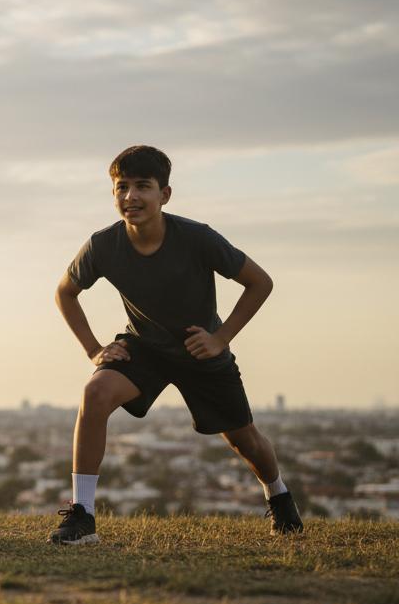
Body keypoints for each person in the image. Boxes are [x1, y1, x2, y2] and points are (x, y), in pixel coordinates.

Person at [50, 145, 303, 545]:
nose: (130, 196)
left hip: (198, 348)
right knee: (95, 393)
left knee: (244, 440)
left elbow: (261, 282)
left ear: (164, 194)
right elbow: (65, 292)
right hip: (144, 348)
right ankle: (82, 515)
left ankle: (279, 495)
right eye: (121, 187)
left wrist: (221, 338)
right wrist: (94, 349)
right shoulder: (103, 245)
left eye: (142, 187)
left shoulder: (197, 238)